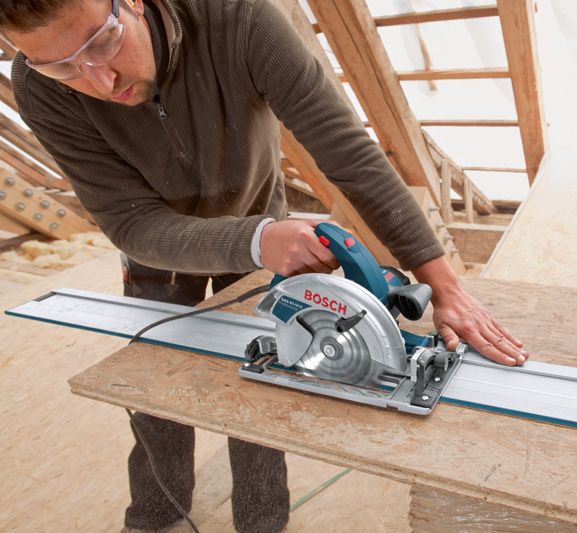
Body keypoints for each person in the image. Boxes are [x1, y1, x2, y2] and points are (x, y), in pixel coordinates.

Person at [1, 0, 529, 530]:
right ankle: (156, 511)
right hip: (162, 249)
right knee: (154, 384)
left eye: (102, 42)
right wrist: (255, 240)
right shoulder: (38, 87)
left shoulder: (239, 18)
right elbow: (131, 224)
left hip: (260, 221)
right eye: (62, 66)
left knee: (268, 373)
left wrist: (443, 286)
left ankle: (261, 518)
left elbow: (349, 153)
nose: (98, 77)